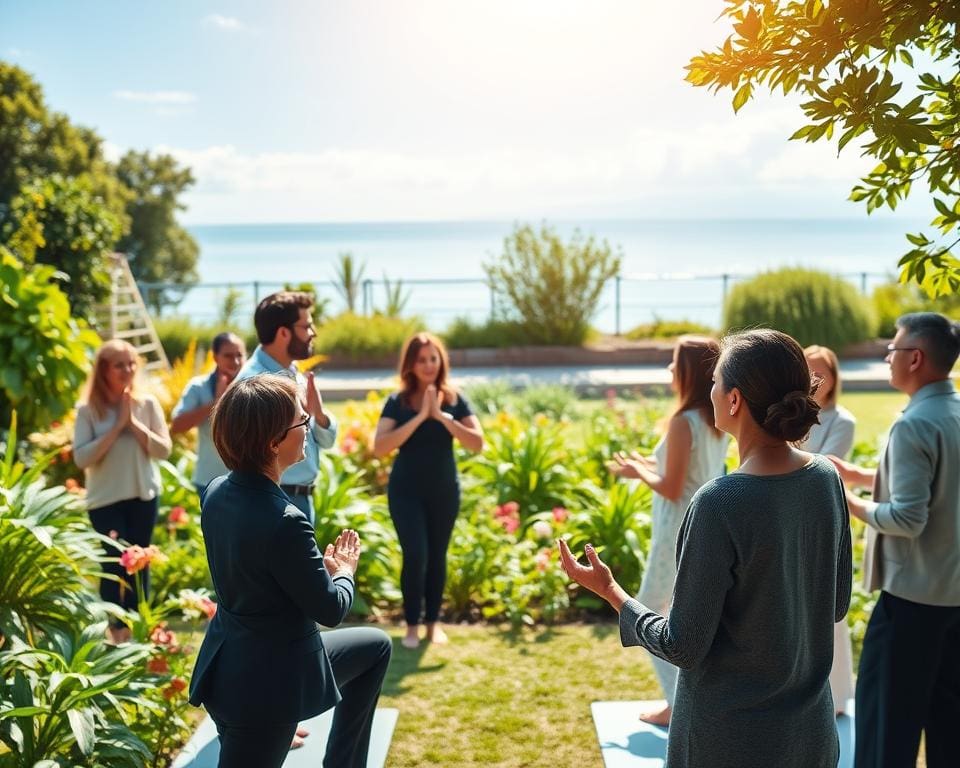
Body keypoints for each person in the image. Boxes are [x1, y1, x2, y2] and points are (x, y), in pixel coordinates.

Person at [559, 329, 852, 768]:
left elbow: (683, 646)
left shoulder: (720, 504)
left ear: (734, 400)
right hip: (808, 739)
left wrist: (613, 593)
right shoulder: (826, 479)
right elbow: (836, 603)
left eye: (715, 381)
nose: (709, 390)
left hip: (728, 742)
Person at [188, 375, 392, 768]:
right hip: (265, 689)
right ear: (272, 442)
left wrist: (316, 571)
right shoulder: (285, 520)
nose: (308, 429)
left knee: (375, 647)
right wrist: (344, 571)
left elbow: (261, 575)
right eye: (302, 422)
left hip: (229, 664)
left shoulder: (215, 492)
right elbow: (331, 610)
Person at [828, 312, 960, 768]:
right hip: (953, 599)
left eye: (893, 349)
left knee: (886, 734)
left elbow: (908, 517)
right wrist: (867, 476)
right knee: (949, 730)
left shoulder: (913, 424)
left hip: (910, 605)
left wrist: (850, 502)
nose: (887, 358)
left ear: (916, 358)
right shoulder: (954, 413)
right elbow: (944, 486)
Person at [607, 335, 728, 726]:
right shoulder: (714, 420)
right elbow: (687, 472)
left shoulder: (683, 421)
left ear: (689, 371)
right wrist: (645, 462)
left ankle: (678, 704)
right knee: (682, 615)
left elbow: (671, 487)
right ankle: (685, 702)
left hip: (675, 531)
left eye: (675, 364)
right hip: (700, 527)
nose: (670, 371)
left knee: (645, 608)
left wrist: (637, 471)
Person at [372, 332, 484, 649]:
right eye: (422, 359)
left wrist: (442, 417)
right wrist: (421, 416)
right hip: (405, 492)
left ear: (441, 362)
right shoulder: (398, 401)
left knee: (437, 556)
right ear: (411, 364)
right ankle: (411, 625)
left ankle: (433, 624)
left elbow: (477, 443)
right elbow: (379, 447)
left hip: (443, 492)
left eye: (433, 358)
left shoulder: (453, 399)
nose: (428, 365)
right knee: (416, 554)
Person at [73, 339, 172, 644]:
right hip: (105, 502)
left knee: (140, 564)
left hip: (143, 497)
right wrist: (117, 427)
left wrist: (135, 425)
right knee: (113, 564)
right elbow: (82, 458)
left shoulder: (147, 405)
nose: (128, 370)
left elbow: (164, 450)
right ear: (103, 370)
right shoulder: (88, 410)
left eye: (131, 363)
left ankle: (139, 630)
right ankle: (116, 631)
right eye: (119, 364)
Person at [235, 291, 336, 523]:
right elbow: (247, 454)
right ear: (283, 332)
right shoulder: (251, 384)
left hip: (299, 500)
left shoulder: (295, 374)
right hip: (272, 503)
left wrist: (319, 415)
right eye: (306, 326)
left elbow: (327, 440)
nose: (313, 333)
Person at [801, 344, 856, 715]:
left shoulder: (842, 421)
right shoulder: (795, 417)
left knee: (830, 606)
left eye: (821, 372)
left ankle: (836, 696)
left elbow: (828, 467)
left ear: (835, 377)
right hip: (794, 516)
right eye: (808, 371)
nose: (814, 379)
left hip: (825, 518)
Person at [170, 332, 247, 494]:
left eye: (239, 355)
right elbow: (177, 426)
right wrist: (217, 402)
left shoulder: (255, 386)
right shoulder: (198, 387)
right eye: (228, 355)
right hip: (210, 481)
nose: (235, 361)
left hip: (248, 480)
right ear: (215, 357)